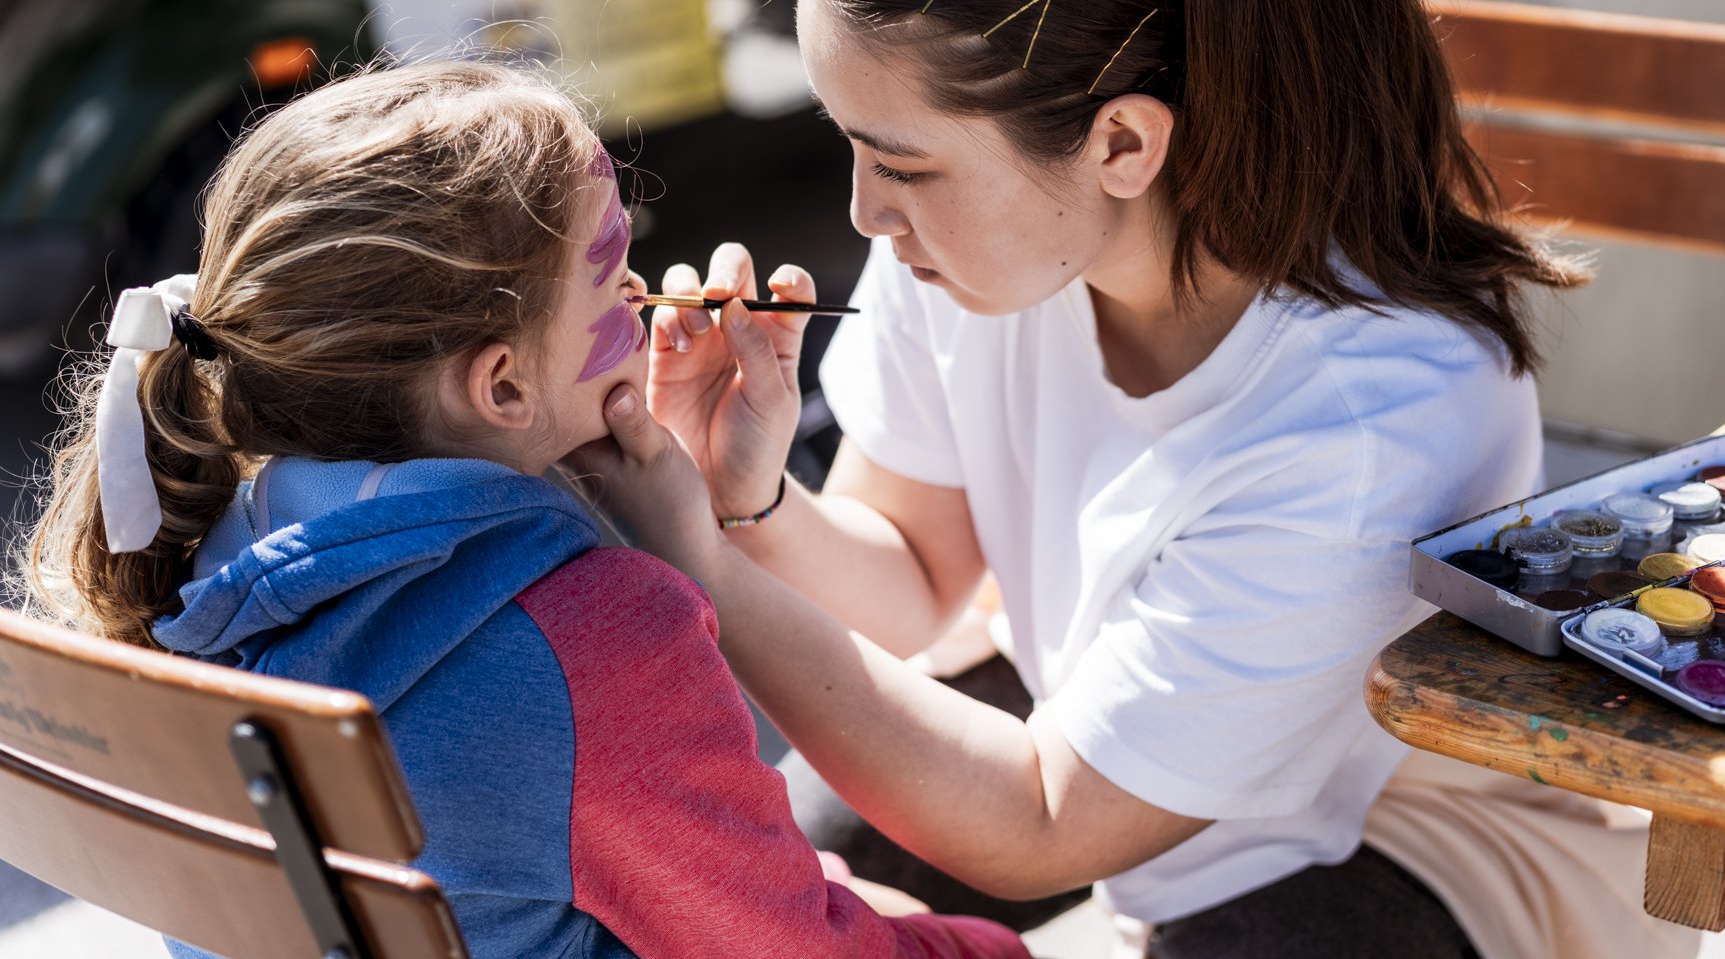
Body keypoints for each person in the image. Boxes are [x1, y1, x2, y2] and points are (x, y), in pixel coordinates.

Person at [597, 0, 1693, 958]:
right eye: (853, 145)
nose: (865, 211)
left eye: (902, 163)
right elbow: (913, 575)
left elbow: (1040, 818)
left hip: (1392, 835)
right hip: (1083, 709)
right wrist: (743, 496)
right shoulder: (987, 242)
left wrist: (698, 556)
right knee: (756, 877)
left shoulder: (1370, 418)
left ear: (1121, 142)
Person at [12, 62, 1028, 959]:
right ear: (501, 386)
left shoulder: (202, 568)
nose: (644, 294)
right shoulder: (592, 634)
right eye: (613, 281)